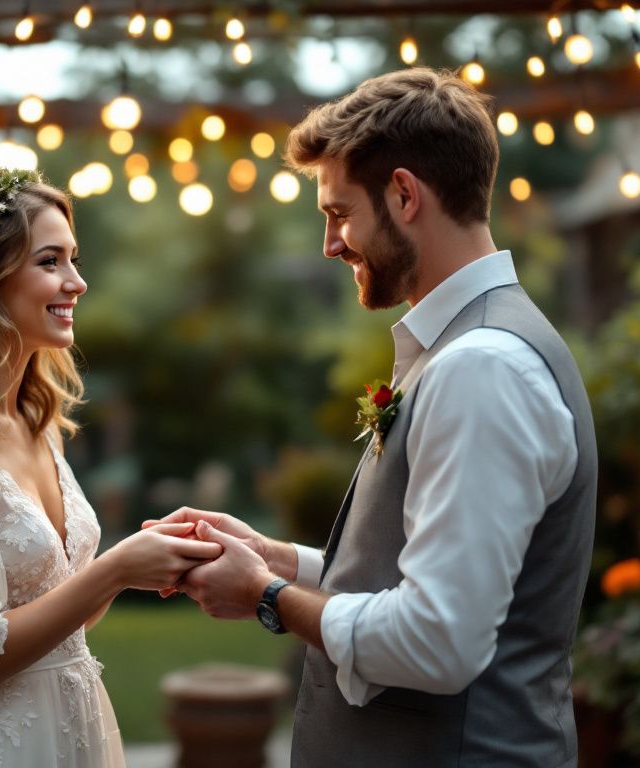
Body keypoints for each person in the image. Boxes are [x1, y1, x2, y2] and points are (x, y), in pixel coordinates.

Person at [150, 68, 597, 767]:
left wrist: (268, 597)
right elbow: (420, 574)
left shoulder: (482, 369)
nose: (331, 244)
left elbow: (436, 640)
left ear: (403, 194)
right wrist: (281, 561)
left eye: (337, 213)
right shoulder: (466, 351)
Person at [0, 168, 222, 767]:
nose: (77, 283)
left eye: (73, 259)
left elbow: (61, 614)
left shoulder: (35, 420)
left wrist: (128, 562)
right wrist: (111, 572)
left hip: (70, 730)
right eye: (50, 261)